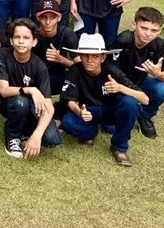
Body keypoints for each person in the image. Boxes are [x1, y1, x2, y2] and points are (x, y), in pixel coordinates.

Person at [60, 33, 149, 167]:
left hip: (111, 110)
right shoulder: (75, 70)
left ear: (103, 57)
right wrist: (79, 112)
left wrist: (120, 87)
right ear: (80, 56)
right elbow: (70, 100)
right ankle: (90, 133)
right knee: (67, 122)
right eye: (85, 55)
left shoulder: (112, 71)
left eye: (95, 56)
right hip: (89, 111)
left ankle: (119, 147)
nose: (89, 60)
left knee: (129, 103)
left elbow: (145, 99)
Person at [0, 19, 62, 159]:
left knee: (52, 138)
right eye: (17, 37)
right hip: (8, 102)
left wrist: (37, 134)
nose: (21, 41)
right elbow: (3, 90)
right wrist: (31, 90)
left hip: (31, 106)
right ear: (11, 41)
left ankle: (26, 130)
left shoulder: (39, 66)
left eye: (26, 38)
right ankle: (12, 137)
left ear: (34, 42)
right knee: (20, 102)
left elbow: (49, 106)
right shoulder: (1, 55)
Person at [111, 7, 164, 139]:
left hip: (140, 80)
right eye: (144, 28)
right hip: (119, 82)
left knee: (162, 88)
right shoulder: (123, 41)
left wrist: (157, 74)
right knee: (110, 127)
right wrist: (132, 92)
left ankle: (145, 116)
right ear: (134, 25)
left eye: (154, 30)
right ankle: (129, 111)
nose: (148, 34)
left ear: (160, 30)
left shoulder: (159, 44)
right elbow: (110, 72)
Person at [32, 0, 79, 96]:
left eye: (52, 17)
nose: (48, 22)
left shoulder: (67, 34)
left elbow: (82, 67)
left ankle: (70, 106)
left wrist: (61, 59)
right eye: (44, 17)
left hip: (60, 78)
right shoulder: (32, 35)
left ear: (59, 17)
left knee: (81, 76)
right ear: (38, 17)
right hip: (35, 79)